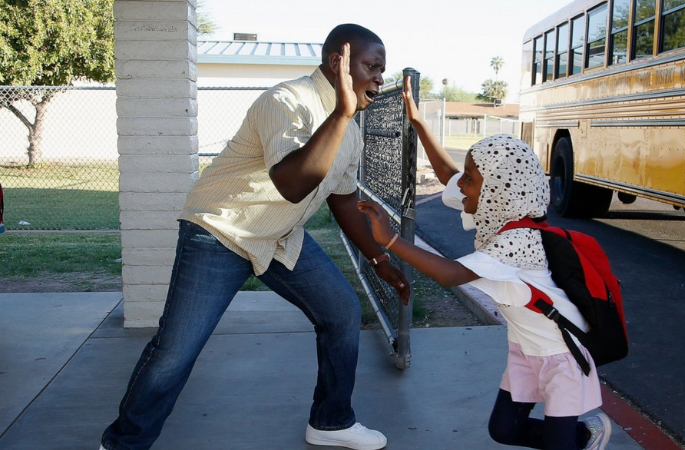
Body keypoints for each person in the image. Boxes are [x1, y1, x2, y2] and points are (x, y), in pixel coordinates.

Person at [99, 24, 409, 450]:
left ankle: (331, 422)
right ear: (339, 62)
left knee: (341, 312)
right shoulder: (286, 102)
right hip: (221, 229)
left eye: (382, 70)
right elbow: (292, 184)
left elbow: (344, 200)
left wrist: (378, 258)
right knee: (176, 351)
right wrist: (340, 113)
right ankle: (122, 444)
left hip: (278, 235)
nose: (379, 78)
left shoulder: (351, 131)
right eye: (372, 67)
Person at [356, 78, 611, 450]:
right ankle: (585, 436)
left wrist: (390, 240)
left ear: (496, 189)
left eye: (471, 179)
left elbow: (450, 275)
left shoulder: (518, 239)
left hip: (562, 355)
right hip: (526, 349)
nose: (462, 187)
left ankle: (581, 436)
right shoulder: (497, 210)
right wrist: (419, 123)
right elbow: (450, 177)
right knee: (503, 431)